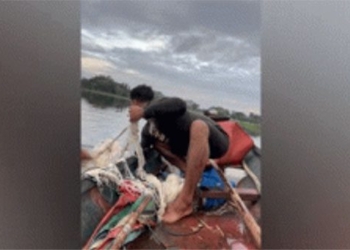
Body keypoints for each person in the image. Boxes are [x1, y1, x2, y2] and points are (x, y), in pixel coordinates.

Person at [128, 85, 229, 223]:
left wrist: (143, 113)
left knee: (198, 126)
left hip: (216, 141)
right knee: (157, 145)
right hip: (187, 146)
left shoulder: (161, 104)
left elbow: (179, 104)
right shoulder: (148, 130)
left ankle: (185, 202)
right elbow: (142, 151)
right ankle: (189, 171)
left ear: (135, 102)